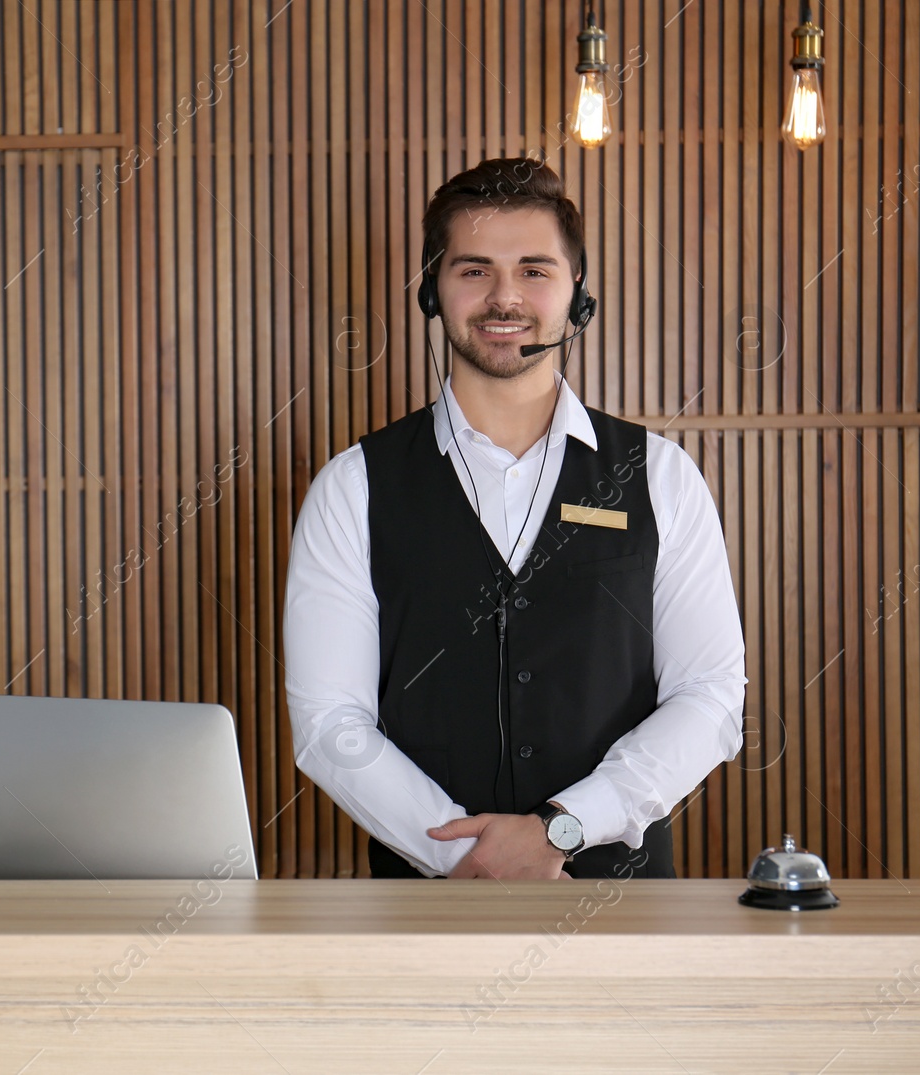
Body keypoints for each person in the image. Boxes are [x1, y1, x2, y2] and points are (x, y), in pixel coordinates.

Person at [283, 157, 746, 880]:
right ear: (432, 295)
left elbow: (711, 696)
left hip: (621, 912)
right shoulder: (352, 488)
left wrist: (564, 828)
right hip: (426, 913)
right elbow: (329, 724)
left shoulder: (661, 477)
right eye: (473, 270)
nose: (505, 297)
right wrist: (466, 855)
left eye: (534, 270)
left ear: (576, 298)